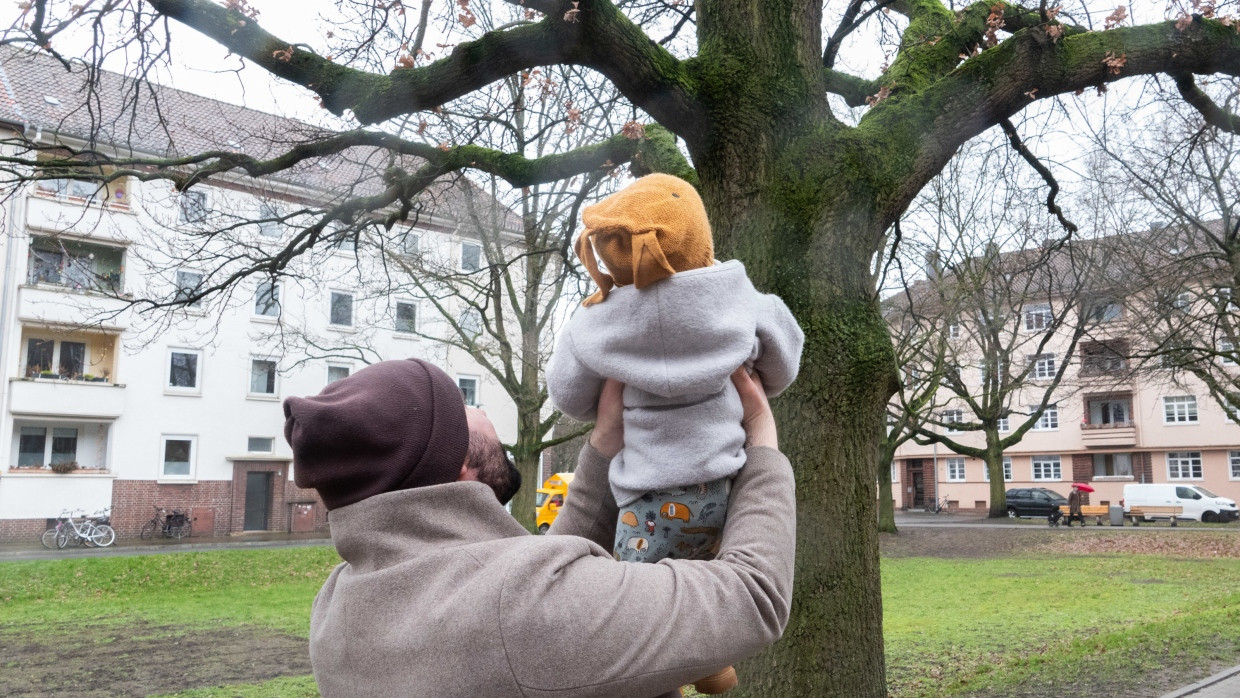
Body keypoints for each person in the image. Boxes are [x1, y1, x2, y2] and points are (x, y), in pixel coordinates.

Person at [283, 358, 795, 698]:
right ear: (456, 459)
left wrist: (602, 447)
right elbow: (751, 596)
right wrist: (763, 446)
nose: (480, 409)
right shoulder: (518, 611)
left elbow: (531, 594)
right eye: (464, 406)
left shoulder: (337, 609)